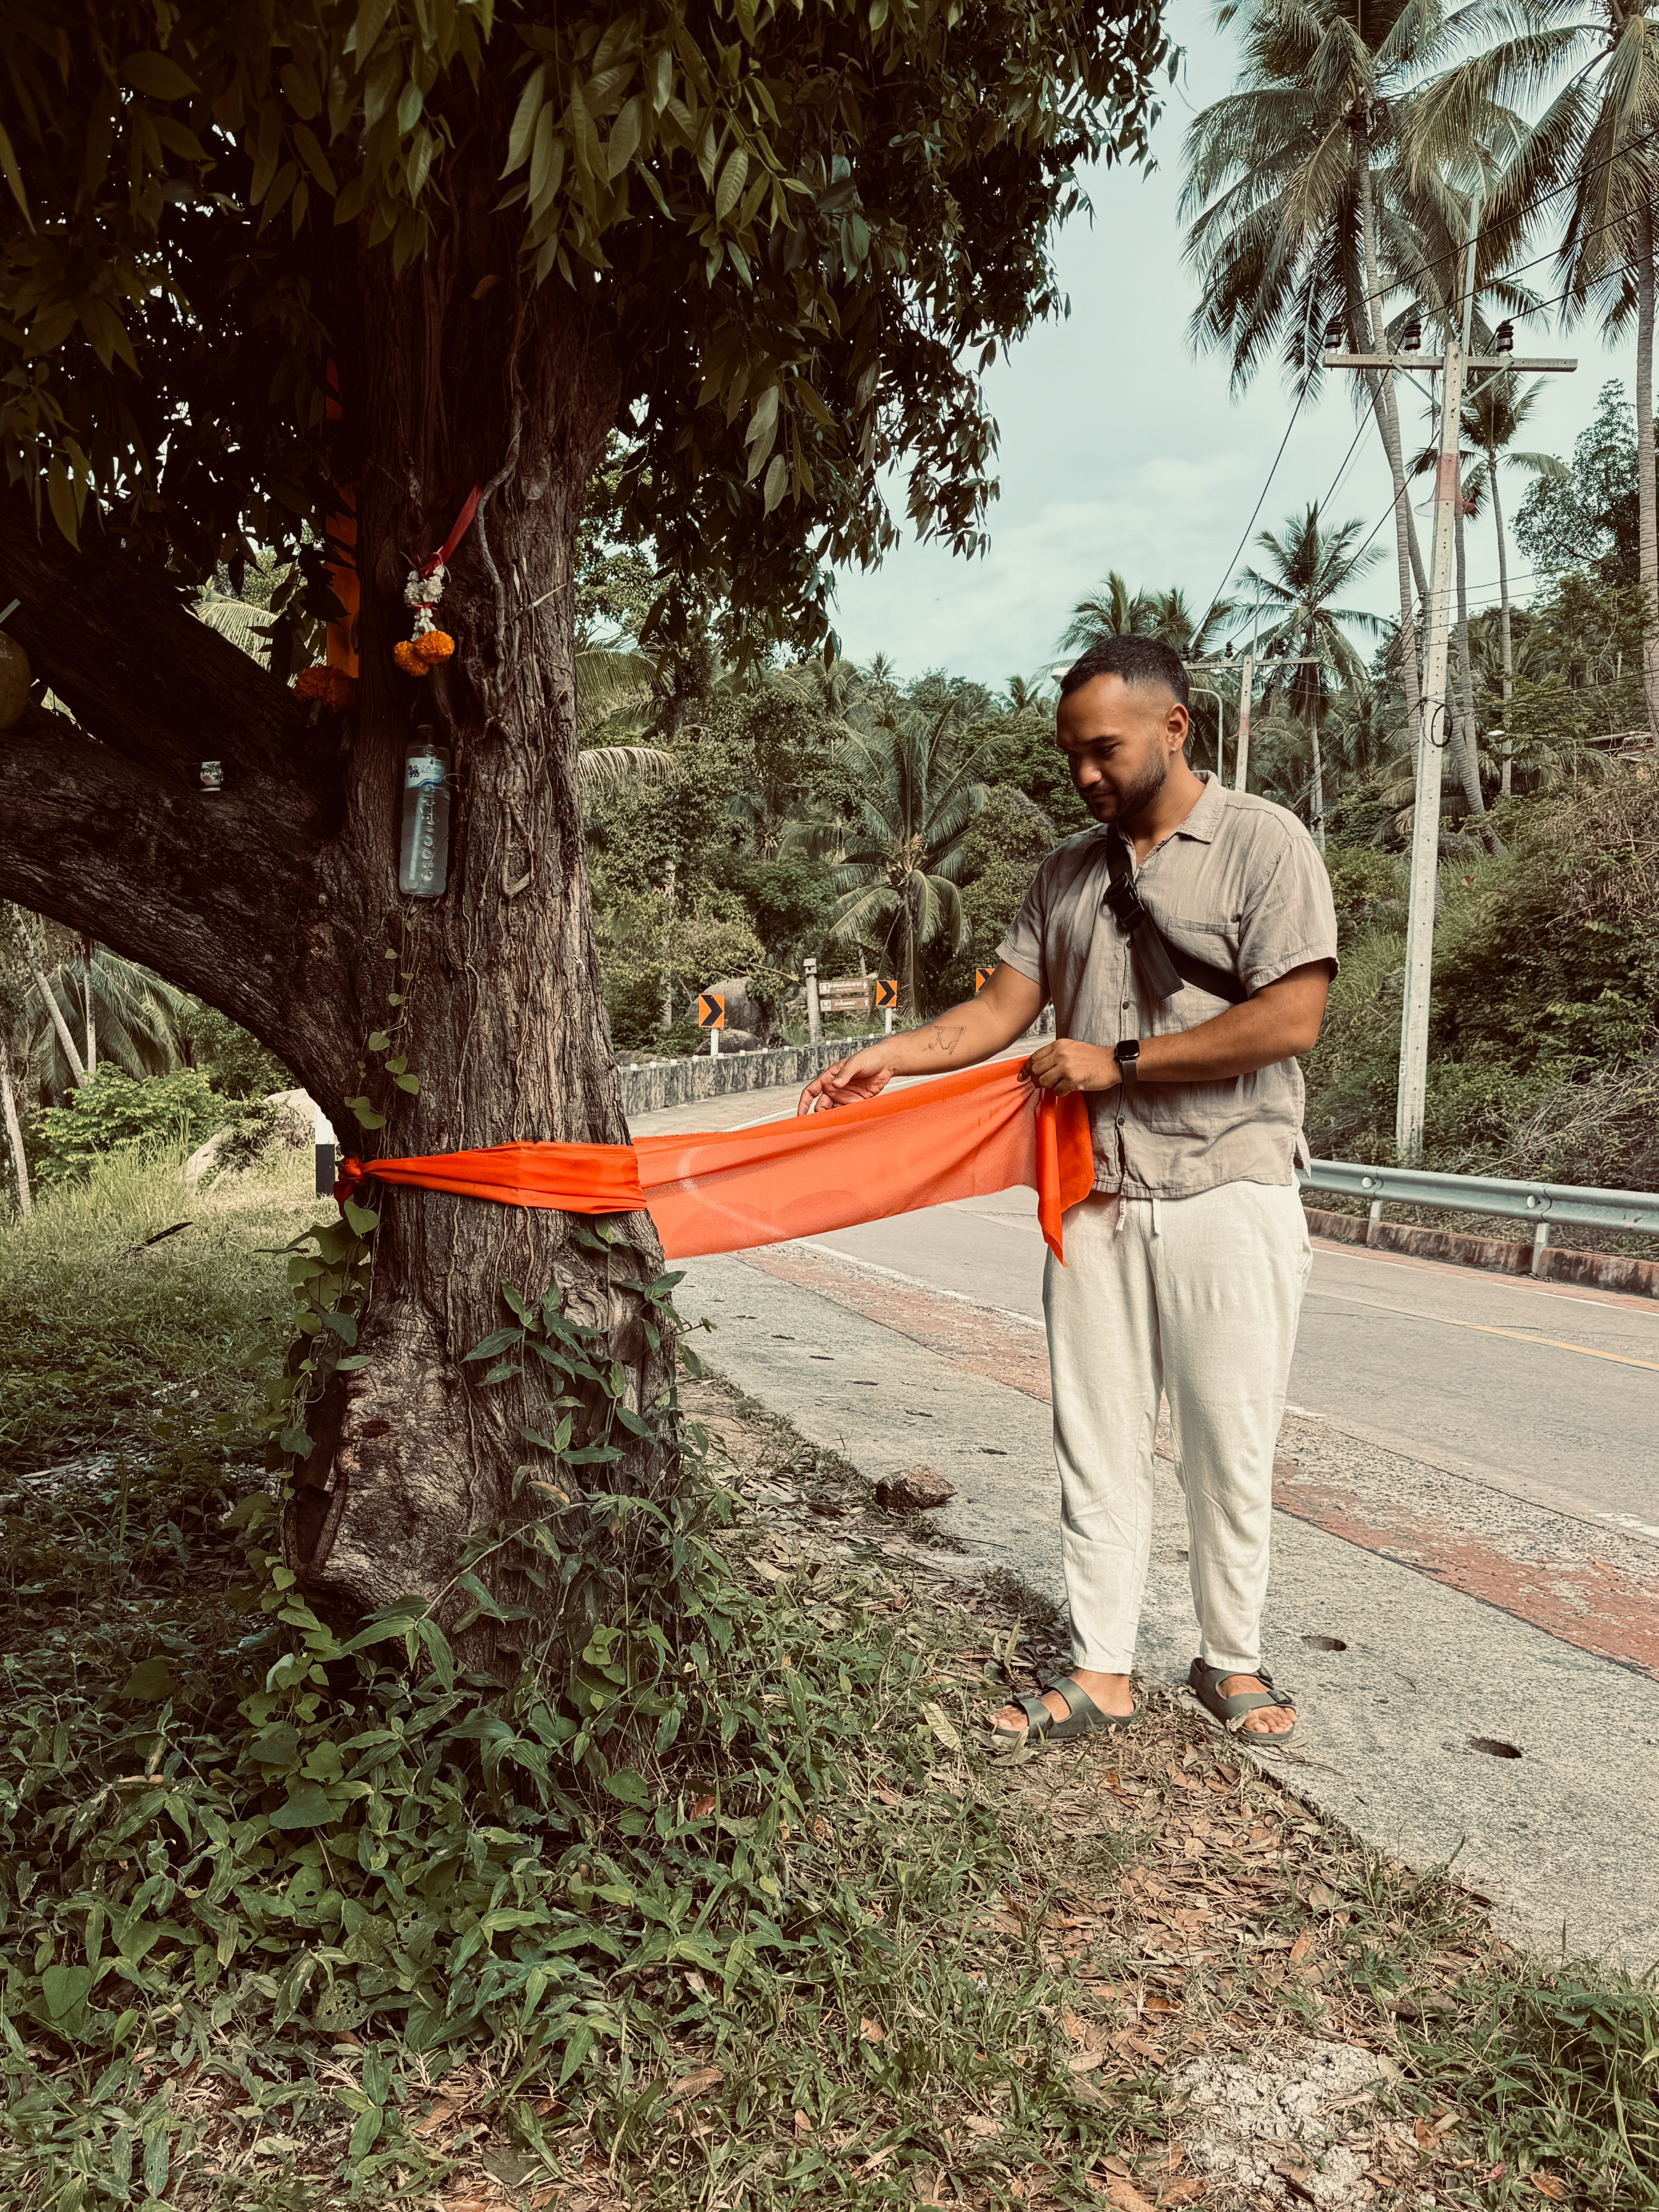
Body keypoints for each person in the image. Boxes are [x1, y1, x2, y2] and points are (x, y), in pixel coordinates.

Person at [798, 634, 1338, 1752]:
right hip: (1091, 1192)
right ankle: (1102, 1667)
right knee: (1094, 1436)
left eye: (1105, 749)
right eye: (1071, 754)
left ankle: (1229, 1656)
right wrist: (890, 1057)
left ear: (1175, 726)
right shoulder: (1064, 874)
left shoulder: (1263, 843)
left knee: (1228, 1442)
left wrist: (1119, 1062)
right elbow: (997, 1015)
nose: (1086, 773)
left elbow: (1291, 1018)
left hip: (1228, 1182)